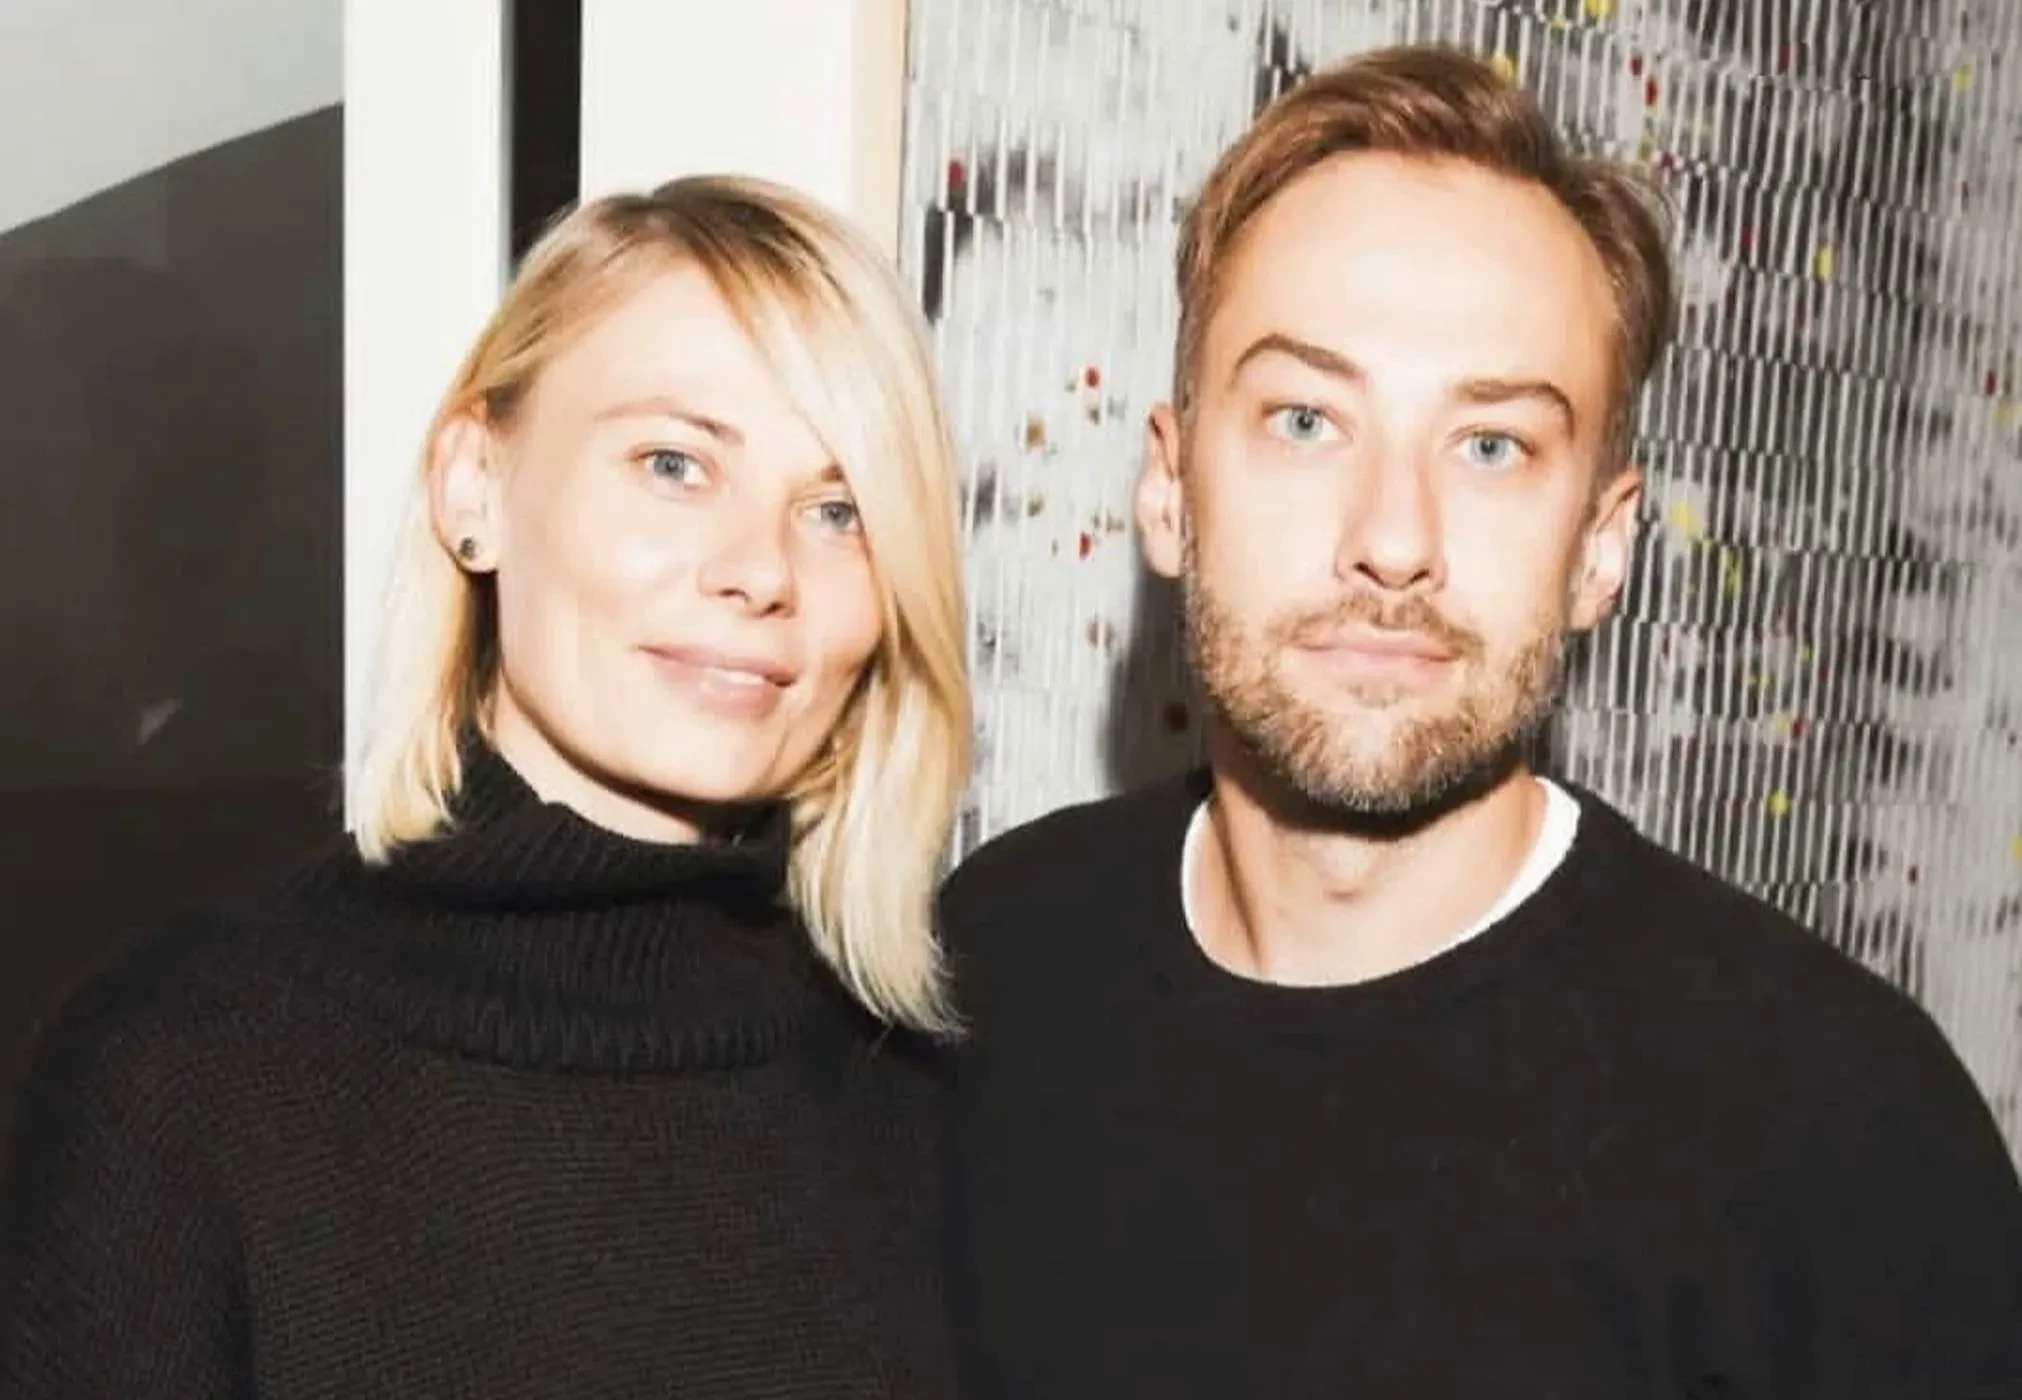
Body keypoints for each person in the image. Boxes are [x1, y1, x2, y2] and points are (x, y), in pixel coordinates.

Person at [940, 44, 2022, 1399]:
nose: (1394, 539)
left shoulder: (1843, 1136)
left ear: (1600, 548)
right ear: (1169, 489)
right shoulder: (996, 966)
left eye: (1492, 445)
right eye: (1305, 420)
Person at [2, 175, 970, 1398]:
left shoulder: (919, 1089)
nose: (760, 570)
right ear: (476, 488)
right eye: (674, 462)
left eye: (837, 509)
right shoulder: (184, 1074)